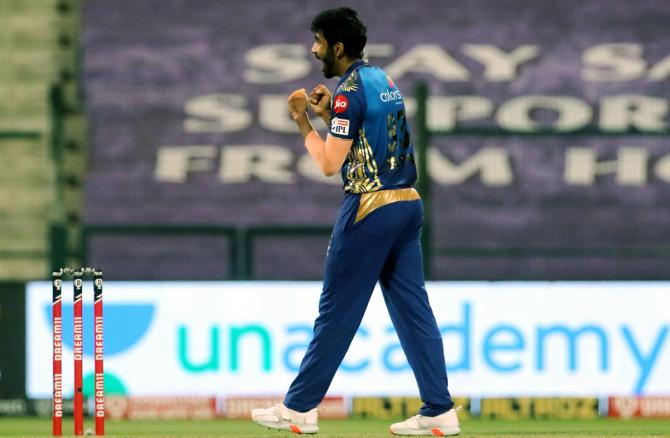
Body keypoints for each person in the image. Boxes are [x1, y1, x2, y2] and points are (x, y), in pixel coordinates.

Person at [251, 7, 460, 436]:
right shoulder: (380, 80)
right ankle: (439, 410)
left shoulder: (348, 92)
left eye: (318, 42)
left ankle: (299, 409)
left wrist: (301, 121)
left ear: (337, 47)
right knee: (413, 312)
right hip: (406, 204)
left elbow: (330, 163)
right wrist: (330, 116)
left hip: (369, 209)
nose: (314, 50)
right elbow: (369, 140)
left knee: (337, 312)